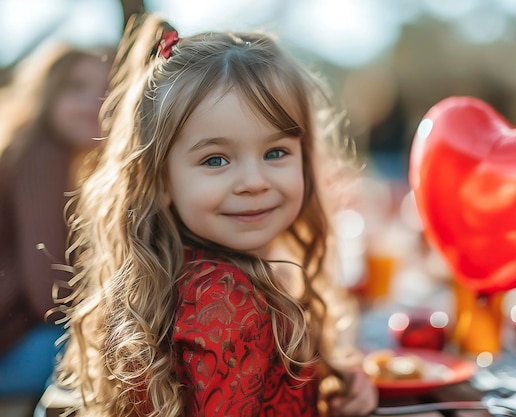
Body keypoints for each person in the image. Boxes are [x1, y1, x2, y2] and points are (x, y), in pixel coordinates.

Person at [55, 13, 378, 417]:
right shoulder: (224, 298)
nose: (254, 181)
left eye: (275, 152)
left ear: (305, 159)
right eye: (216, 159)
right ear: (160, 181)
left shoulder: (197, 276)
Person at [0, 42, 113, 399]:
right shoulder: (40, 156)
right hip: (13, 349)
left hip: (22, 340)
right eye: (77, 88)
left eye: (110, 91)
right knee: (128, 353)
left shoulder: (66, 162)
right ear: (47, 94)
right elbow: (48, 291)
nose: (94, 102)